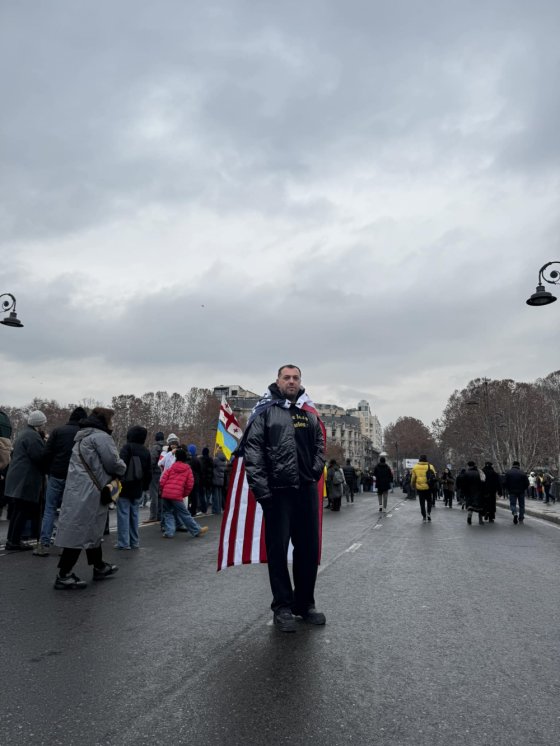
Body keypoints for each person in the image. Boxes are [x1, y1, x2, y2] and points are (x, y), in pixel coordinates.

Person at [243, 364, 326, 633]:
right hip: (278, 493)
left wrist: (314, 471)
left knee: (308, 549)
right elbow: (253, 453)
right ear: (277, 381)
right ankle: (282, 607)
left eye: (296, 378)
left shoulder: (309, 413)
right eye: (286, 377)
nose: (291, 381)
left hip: (306, 490)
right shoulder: (265, 412)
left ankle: (305, 604)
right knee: (278, 552)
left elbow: (319, 446)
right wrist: (262, 491)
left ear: (301, 381)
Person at [53, 407, 126, 589]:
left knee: (91, 529)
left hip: (79, 490)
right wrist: (123, 467)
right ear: (105, 421)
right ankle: (64, 575)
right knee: (80, 531)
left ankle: (99, 566)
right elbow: (113, 463)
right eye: (111, 420)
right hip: (91, 491)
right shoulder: (101, 437)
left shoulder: (82, 437)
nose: (113, 424)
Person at [33, 407, 88, 556]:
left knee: (49, 509)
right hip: (75, 477)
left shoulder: (58, 431)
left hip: (56, 474)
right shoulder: (84, 434)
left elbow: (47, 453)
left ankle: (44, 544)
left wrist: (47, 470)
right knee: (68, 511)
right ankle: (65, 545)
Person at [4, 410, 47, 551]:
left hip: (16, 477)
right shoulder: (33, 437)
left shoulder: (24, 433)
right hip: (25, 479)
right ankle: (14, 542)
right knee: (22, 510)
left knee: (17, 510)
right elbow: (40, 457)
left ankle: (11, 540)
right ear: (39, 424)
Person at [159, 447, 208, 539]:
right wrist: (183, 494)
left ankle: (169, 532)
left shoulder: (171, 467)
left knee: (168, 513)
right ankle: (196, 530)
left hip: (166, 493)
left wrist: (163, 489)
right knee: (185, 514)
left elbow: (162, 480)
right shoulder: (187, 469)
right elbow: (190, 485)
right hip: (177, 495)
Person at [116, 426, 152, 549]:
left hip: (125, 486)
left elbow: (120, 466)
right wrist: (144, 487)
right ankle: (134, 541)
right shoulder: (146, 451)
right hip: (138, 487)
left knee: (123, 514)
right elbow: (149, 472)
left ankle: (123, 543)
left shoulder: (127, 448)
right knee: (134, 515)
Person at [143, 431, 165, 524]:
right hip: (162, 473)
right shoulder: (165, 448)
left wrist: (148, 471)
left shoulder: (155, 447)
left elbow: (152, 460)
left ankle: (153, 516)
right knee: (160, 494)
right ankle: (160, 514)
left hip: (155, 473)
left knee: (154, 494)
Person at [456, 461, 485, 525]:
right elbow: (483, 482)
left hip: (469, 492)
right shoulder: (479, 472)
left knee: (470, 506)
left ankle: (469, 516)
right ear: (474, 465)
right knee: (480, 507)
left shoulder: (466, 473)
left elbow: (463, 485)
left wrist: (463, 493)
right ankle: (480, 520)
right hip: (479, 492)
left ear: (468, 466)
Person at [411, 455, 436, 522]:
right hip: (428, 487)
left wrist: (412, 485)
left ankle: (424, 516)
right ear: (426, 459)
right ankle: (428, 513)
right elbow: (434, 476)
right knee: (429, 501)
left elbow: (413, 478)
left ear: (419, 459)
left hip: (420, 488)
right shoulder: (430, 466)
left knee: (422, 503)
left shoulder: (415, 467)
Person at [212, 445, 227, 515]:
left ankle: (216, 510)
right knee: (220, 495)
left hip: (215, 479)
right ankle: (219, 509)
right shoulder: (224, 460)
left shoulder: (216, 460)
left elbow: (212, 464)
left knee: (216, 495)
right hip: (221, 479)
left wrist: (214, 456)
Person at [199, 446, 214, 514]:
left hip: (203, 480)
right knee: (208, 494)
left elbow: (201, 470)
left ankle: (204, 508)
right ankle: (207, 506)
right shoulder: (211, 460)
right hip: (209, 480)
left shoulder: (201, 460)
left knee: (203, 494)